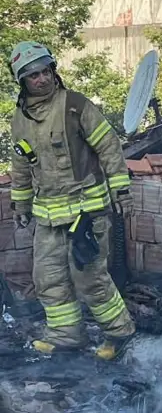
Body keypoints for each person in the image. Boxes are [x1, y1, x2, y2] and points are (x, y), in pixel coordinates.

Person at [8, 41, 135, 360]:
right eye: (33, 75)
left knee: (90, 279)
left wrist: (121, 190)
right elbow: (22, 164)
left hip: (86, 212)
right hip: (48, 217)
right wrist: (21, 205)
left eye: (45, 71)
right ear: (22, 82)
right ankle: (66, 335)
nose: (42, 79)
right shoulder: (20, 120)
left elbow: (109, 147)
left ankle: (120, 334)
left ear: (53, 71)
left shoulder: (76, 106)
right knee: (48, 279)